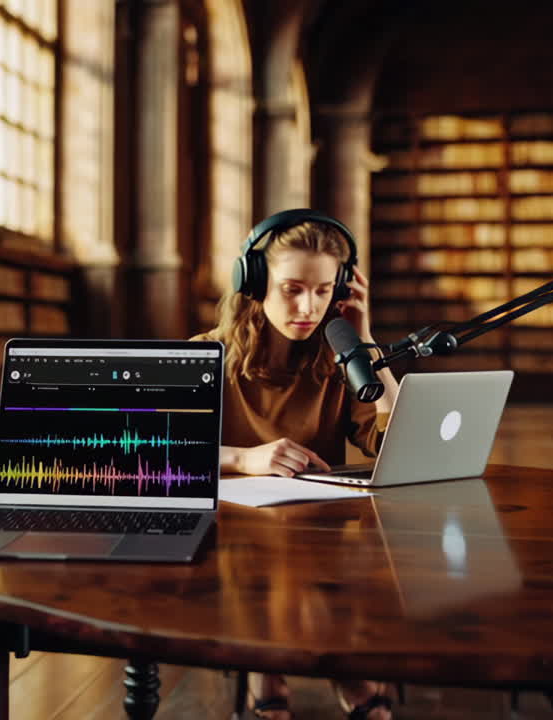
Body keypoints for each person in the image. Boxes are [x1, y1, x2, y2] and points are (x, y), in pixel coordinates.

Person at [192, 210, 400, 720]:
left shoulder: (338, 366)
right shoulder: (206, 356)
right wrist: (245, 458)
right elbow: (156, 451)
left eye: (325, 290)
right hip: (234, 532)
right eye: (292, 288)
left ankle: (310, 666)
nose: (308, 307)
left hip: (319, 527)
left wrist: (364, 342)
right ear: (255, 282)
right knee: (266, 553)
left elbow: (391, 445)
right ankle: (281, 668)